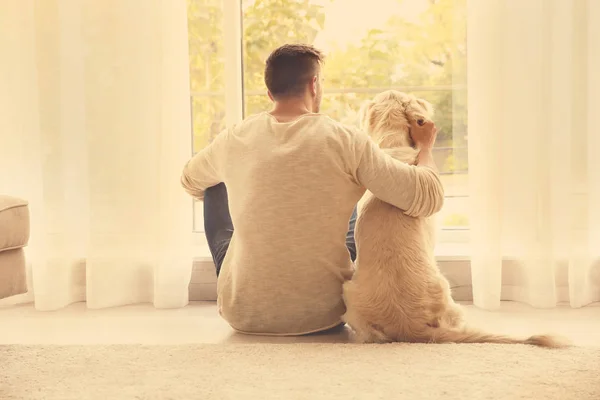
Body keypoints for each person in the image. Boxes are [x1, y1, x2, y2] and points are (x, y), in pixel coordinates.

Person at [180, 44, 443, 336]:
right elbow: (428, 195)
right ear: (314, 84)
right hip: (326, 313)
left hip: (243, 312)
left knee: (212, 182)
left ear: (270, 92)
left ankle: (249, 271)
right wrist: (426, 146)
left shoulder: (233, 138)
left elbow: (189, 179)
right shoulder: (345, 140)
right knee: (354, 184)